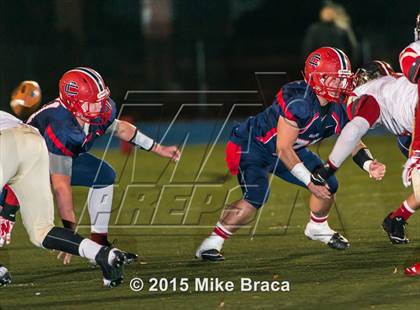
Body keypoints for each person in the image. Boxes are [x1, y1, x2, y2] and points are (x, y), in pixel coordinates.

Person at [195, 46, 385, 261]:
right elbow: (283, 148)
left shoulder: (339, 106)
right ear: (317, 78)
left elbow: (352, 139)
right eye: (335, 79)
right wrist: (310, 182)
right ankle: (211, 243)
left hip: (288, 149)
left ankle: (317, 227)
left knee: (329, 183)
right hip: (252, 146)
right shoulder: (299, 101)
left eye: (343, 79)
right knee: (256, 196)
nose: (341, 85)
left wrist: (370, 164)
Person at [0, 110, 133, 287]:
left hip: (8, 143)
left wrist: (7, 212)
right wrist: (7, 211)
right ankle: (103, 254)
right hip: (35, 143)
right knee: (41, 231)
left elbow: (9, 152)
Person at [302, 1, 359, 66]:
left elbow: (353, 48)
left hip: (339, 66)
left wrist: (349, 66)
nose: (327, 13)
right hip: (320, 66)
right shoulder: (314, 29)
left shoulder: (341, 28)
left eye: (330, 11)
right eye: (325, 10)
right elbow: (307, 50)